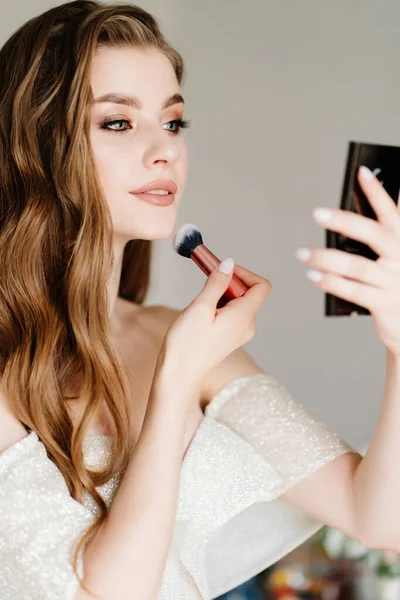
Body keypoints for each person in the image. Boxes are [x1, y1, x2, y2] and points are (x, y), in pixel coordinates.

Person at [1, 2, 400, 599]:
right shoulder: (19, 359)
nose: (165, 150)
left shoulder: (176, 333)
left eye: (173, 122)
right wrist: (178, 376)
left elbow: (379, 519)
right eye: (116, 122)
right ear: (35, 147)